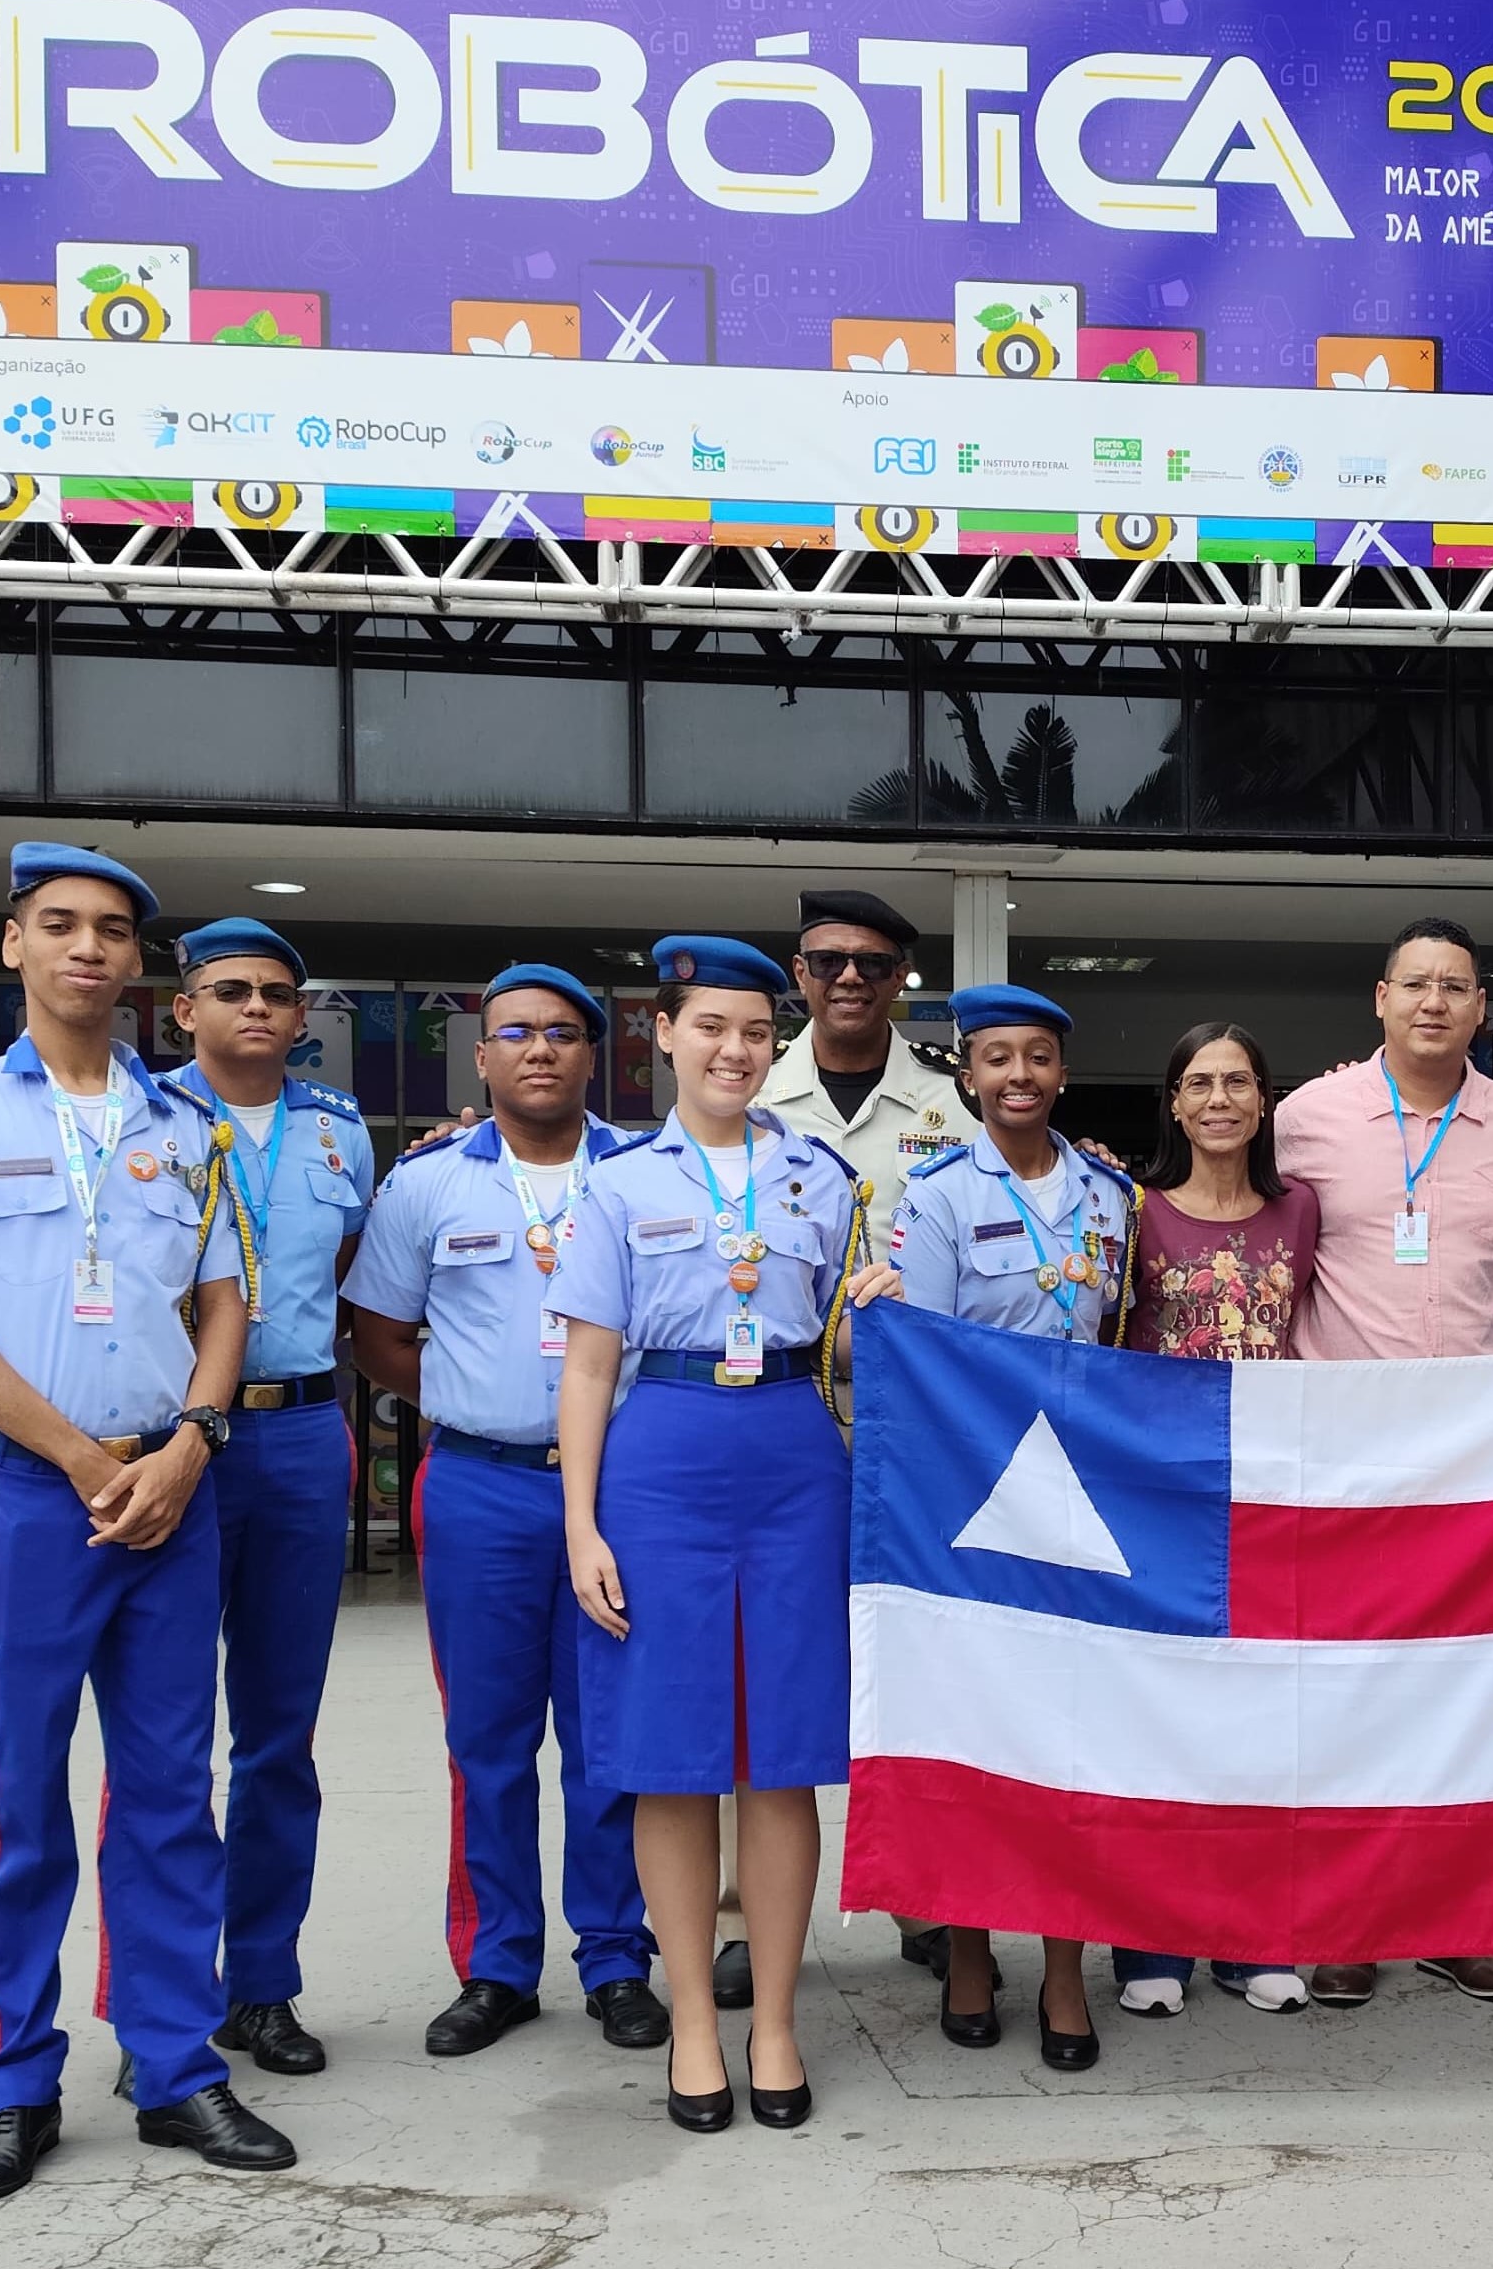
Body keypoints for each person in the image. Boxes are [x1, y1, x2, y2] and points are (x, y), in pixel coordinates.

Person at [0, 843, 294, 2201]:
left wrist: (188, 1443)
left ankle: (174, 2066)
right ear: (14, 946)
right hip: (35, 1498)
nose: (89, 948)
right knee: (22, 1800)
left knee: (170, 1792)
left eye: (112, 930)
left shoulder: (184, 1125)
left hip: (171, 1494)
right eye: (62, 925)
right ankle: (14, 2082)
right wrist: (84, 1457)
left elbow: (223, 1303)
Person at [553, 937, 866, 2133]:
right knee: (670, 1756)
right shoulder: (618, 1184)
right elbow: (587, 1364)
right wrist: (581, 1522)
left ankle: (775, 2016)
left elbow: (837, 1342)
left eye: (754, 1031)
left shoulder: (824, 1181)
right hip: (663, 1458)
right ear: (666, 1038)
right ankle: (692, 2016)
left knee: (780, 1756)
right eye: (711, 1028)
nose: (734, 1049)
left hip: (793, 1453)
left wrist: (875, 1313)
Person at [343, 966, 666, 2061]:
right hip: (478, 1485)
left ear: (594, 1056)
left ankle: (618, 1956)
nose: (538, 1049)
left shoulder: (647, 1171)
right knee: (484, 1738)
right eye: (515, 1033)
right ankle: (495, 1963)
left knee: (605, 1737)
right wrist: (468, 1400)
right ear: (481, 1058)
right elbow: (378, 1330)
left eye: (562, 1032)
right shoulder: (426, 1182)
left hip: (618, 1489)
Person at [1273, 916, 1493, 2010]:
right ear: (1379, 998)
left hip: (1475, 1452)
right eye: (1415, 984)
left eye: (1456, 986)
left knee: (1464, 1692)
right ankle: (1348, 1923)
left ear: (1481, 1007)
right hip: (1340, 1449)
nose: (1434, 1002)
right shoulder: (1306, 1117)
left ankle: (1455, 1919)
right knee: (1350, 1694)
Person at [845, 982, 1134, 2072]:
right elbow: (918, 1359)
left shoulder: (1112, 1195)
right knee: (970, 1732)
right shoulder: (930, 1197)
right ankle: (967, 1944)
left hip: (1080, 1502)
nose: (1018, 1075)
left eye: (1038, 1056)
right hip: (963, 1502)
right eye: (996, 1058)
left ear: (1062, 1071)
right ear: (966, 1076)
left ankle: (1064, 1965)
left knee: (1066, 1733)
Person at [733, 886, 959, 2007]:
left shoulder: (949, 1103)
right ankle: (744, 1913)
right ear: (800, 972)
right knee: (767, 1660)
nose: (851, 978)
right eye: (828, 961)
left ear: (902, 977)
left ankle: (926, 1890)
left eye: (874, 961)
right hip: (774, 1419)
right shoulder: (745, 1089)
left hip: (913, 1427)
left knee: (913, 1659)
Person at [164, 917, 374, 2078]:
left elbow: (347, 1270)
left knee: (278, 1737)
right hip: (168, 1445)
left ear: (301, 1018)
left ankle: (262, 1983)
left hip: (295, 1433)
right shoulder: (141, 1119)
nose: (257, 1007)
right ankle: (162, 1996)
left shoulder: (340, 1132)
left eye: (279, 993)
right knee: (164, 1740)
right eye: (230, 988)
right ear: (183, 1005)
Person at [1106, 1021, 1322, 2019]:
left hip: (1271, 1489)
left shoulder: (1301, 1212)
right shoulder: (1131, 1210)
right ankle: (1151, 1940)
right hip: (1157, 1493)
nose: (1221, 1097)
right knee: (1157, 1725)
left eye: (1238, 1078)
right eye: (1199, 1082)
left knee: (1260, 1723)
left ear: (1264, 1098)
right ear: (1175, 1104)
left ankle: (1253, 1936)